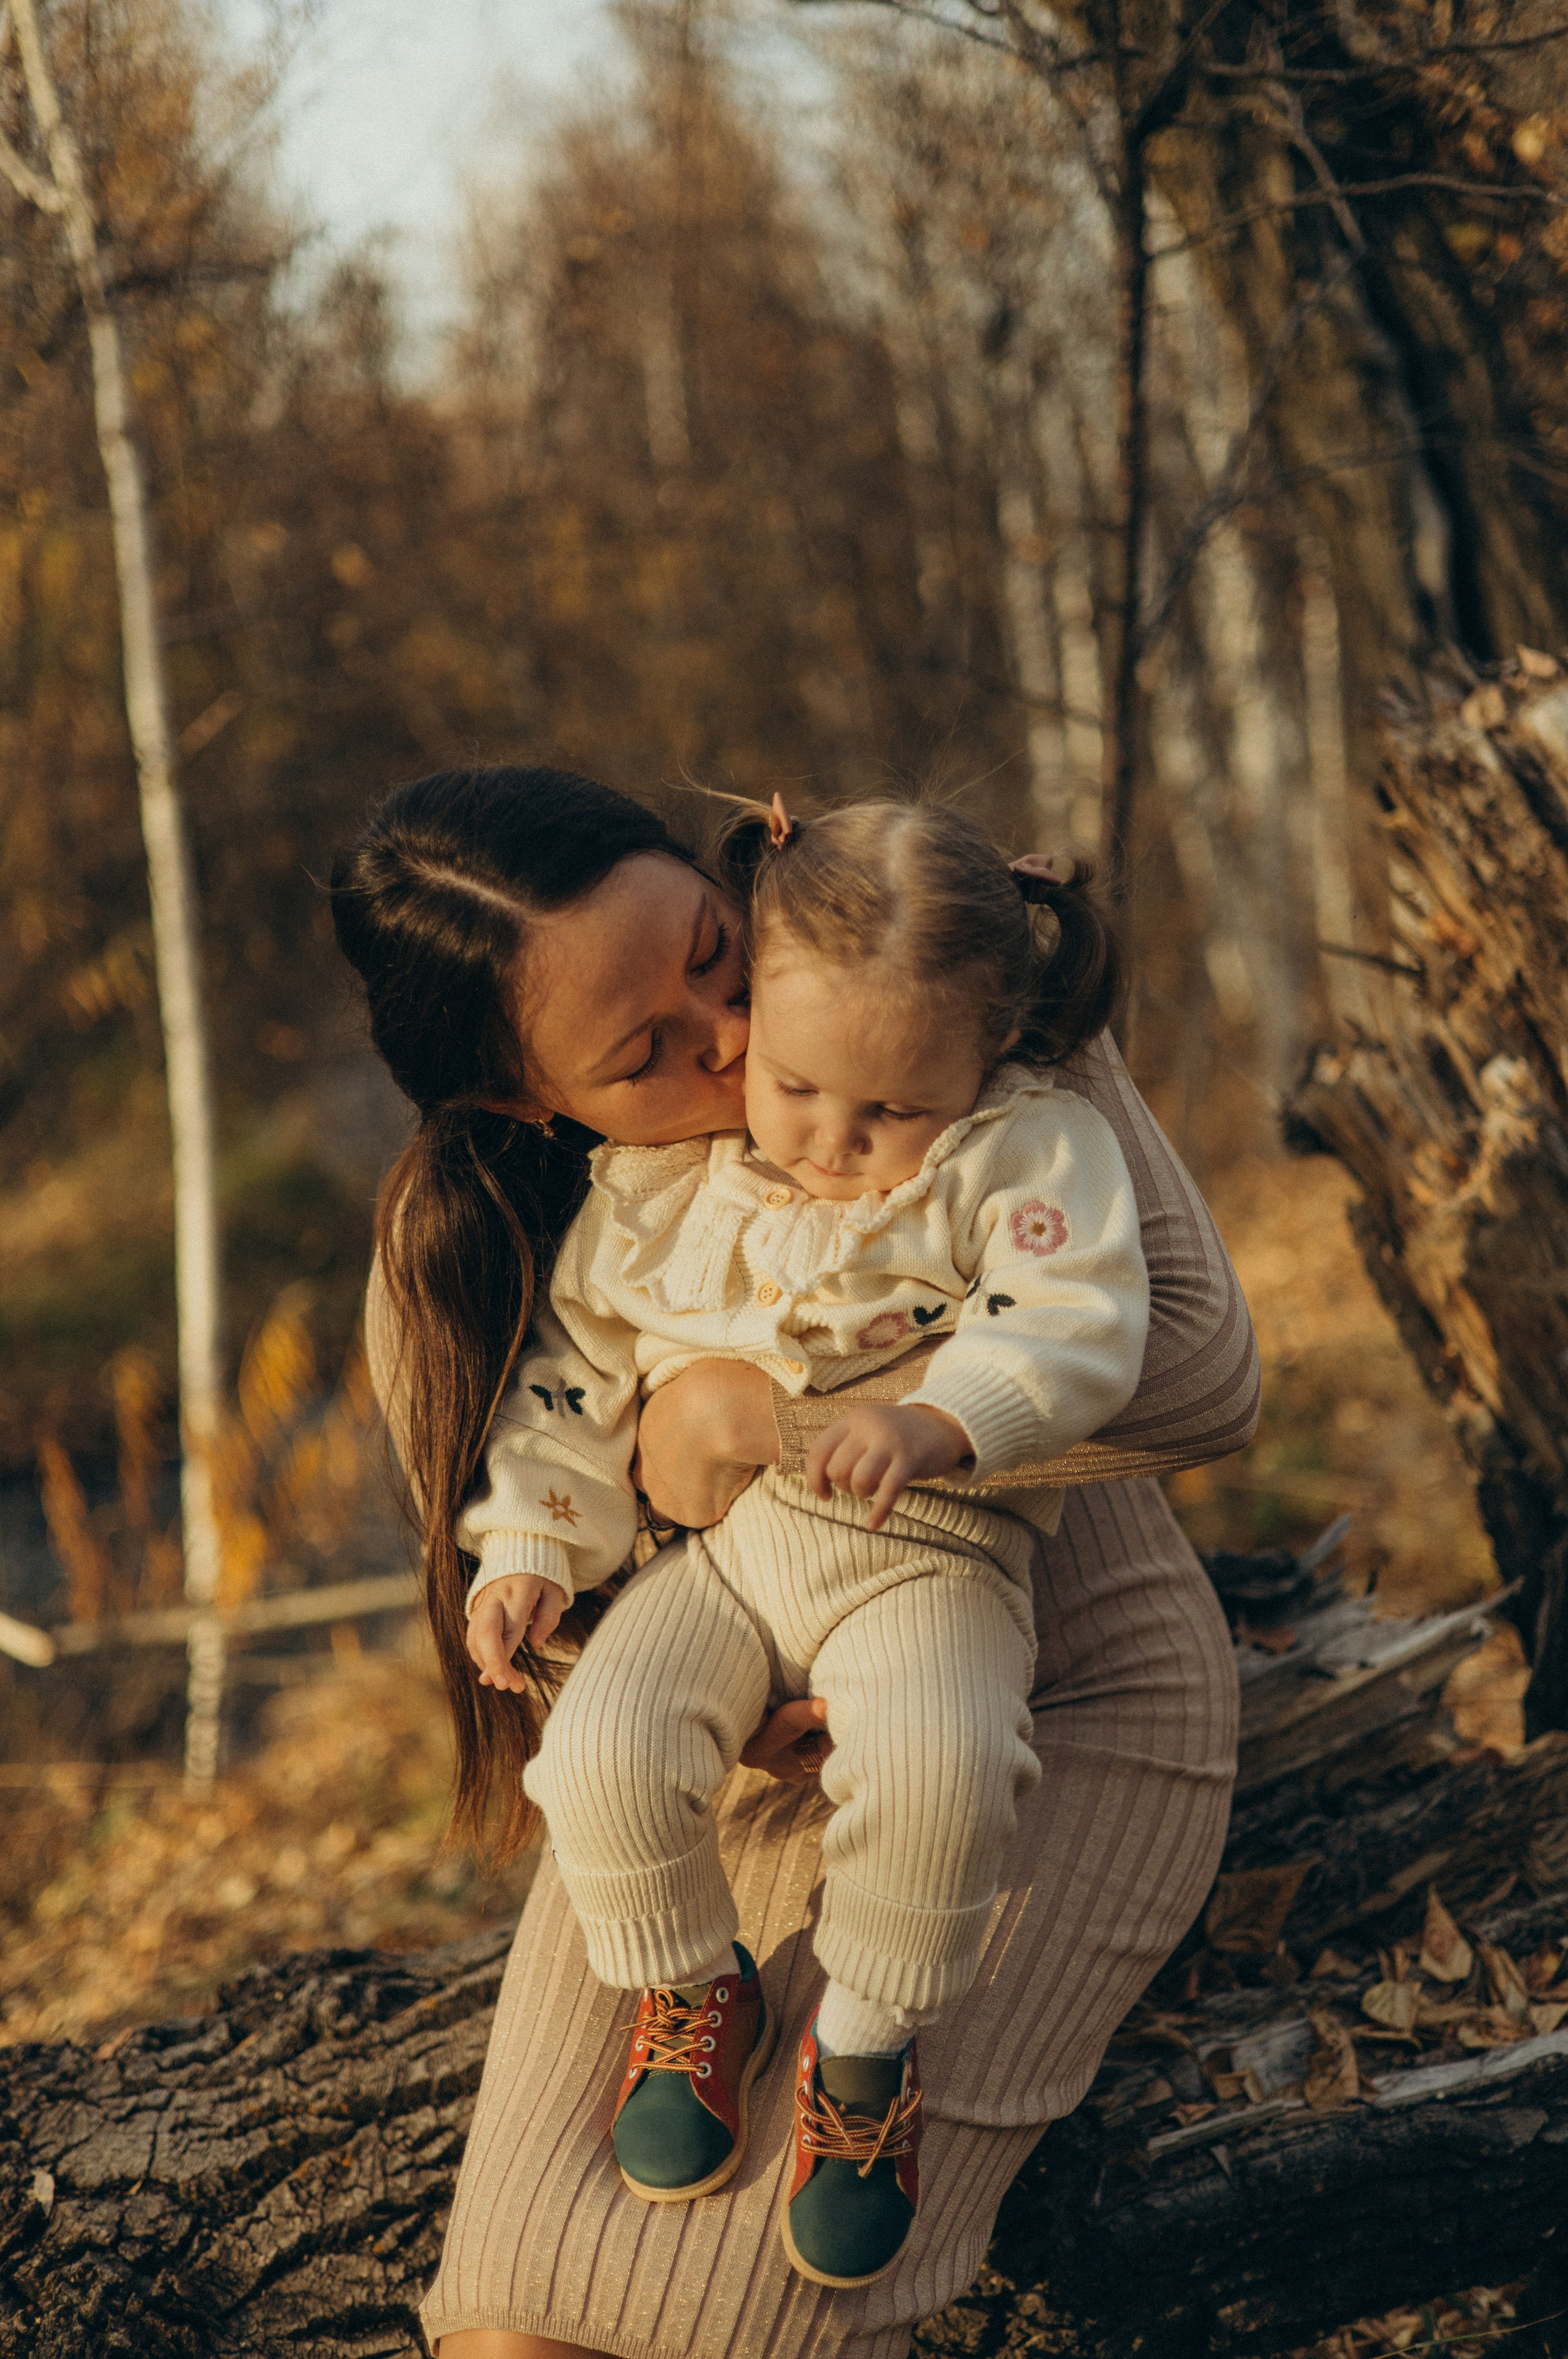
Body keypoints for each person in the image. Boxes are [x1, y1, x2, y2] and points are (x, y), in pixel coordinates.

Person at [333, 764, 1253, 2359]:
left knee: (745, 2319)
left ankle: (867, 2067)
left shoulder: (915, 999)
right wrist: (631, 1493)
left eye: (710, 950)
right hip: (721, 1763)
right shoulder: (471, 1247)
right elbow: (535, 1575)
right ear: (529, 1105)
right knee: (503, 2320)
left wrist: (755, 1411)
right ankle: (703, 1999)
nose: (740, 1038)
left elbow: (1198, 1376)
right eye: (647, 1053)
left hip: (1048, 1697)